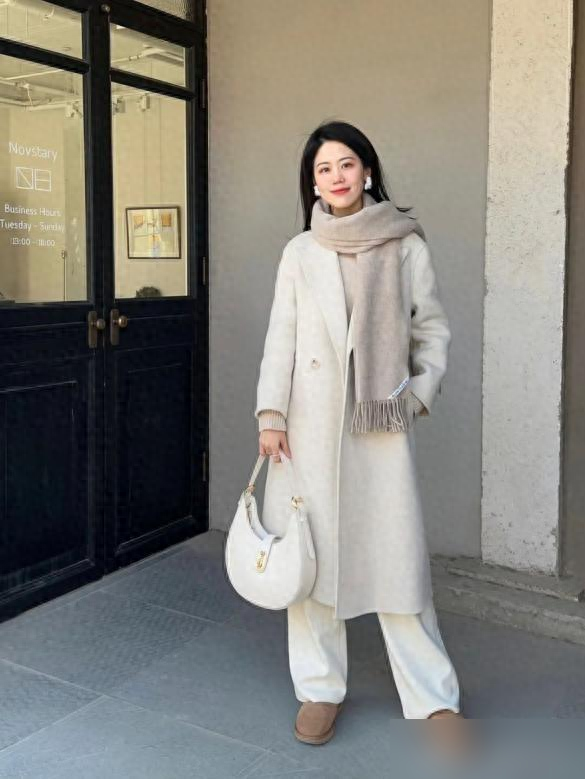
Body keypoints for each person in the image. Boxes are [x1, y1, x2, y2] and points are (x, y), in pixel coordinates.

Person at [254, 120, 466, 748]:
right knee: (313, 563)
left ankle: (434, 699)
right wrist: (270, 417)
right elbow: (280, 339)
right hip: (309, 429)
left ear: (367, 170)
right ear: (312, 182)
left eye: (346, 164)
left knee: (398, 565)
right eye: (323, 169)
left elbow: (431, 331)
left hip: (378, 428)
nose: (336, 177)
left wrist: (413, 397)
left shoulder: (404, 245)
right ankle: (319, 689)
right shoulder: (300, 251)